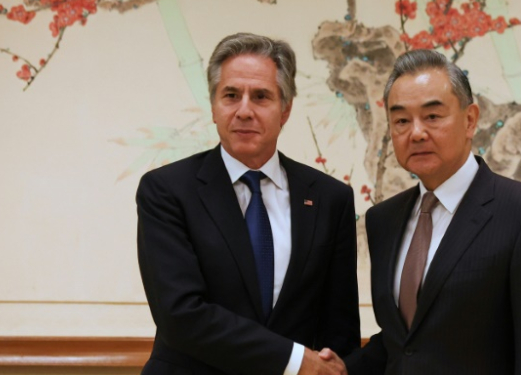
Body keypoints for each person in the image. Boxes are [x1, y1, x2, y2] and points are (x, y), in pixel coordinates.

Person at [328, 49, 521, 374]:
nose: (416, 132)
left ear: (470, 119)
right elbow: (405, 343)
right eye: (401, 120)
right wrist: (341, 370)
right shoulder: (383, 220)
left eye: (432, 116)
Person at [136, 32, 359, 375]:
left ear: (285, 110)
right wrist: (296, 361)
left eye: (260, 97)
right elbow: (180, 315)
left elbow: (339, 326)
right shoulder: (167, 191)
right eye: (230, 95)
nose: (244, 110)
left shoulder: (331, 198)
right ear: (213, 106)